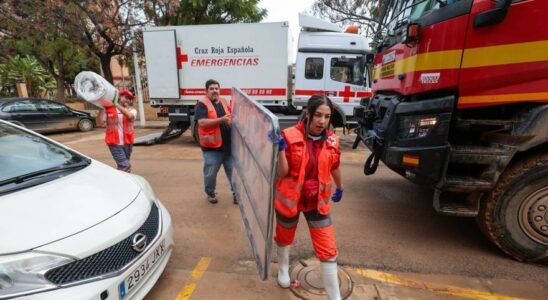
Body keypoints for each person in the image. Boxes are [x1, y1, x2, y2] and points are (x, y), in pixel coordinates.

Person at [273, 94, 344, 300]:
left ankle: (335, 298)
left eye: (327, 116)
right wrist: (280, 150)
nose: (322, 121)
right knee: (285, 238)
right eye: (318, 115)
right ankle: (283, 269)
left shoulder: (332, 140)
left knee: (328, 250)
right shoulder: (288, 136)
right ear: (308, 114)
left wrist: (340, 187)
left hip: (317, 202)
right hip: (290, 199)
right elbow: (282, 173)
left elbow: (335, 166)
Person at [195, 79, 235, 204]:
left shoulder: (224, 101)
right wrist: (221, 120)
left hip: (228, 147)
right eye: (211, 89)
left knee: (233, 174)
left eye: (216, 88)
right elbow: (202, 122)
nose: (215, 91)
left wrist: (231, 121)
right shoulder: (202, 104)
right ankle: (211, 193)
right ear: (206, 91)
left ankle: (236, 194)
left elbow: (230, 116)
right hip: (212, 149)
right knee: (210, 175)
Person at [100, 89, 137, 173]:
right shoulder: (109, 109)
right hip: (114, 143)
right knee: (125, 165)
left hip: (127, 143)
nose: (128, 100)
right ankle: (115, 180)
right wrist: (101, 109)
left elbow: (130, 116)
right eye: (126, 97)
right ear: (119, 97)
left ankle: (124, 182)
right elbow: (100, 123)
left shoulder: (132, 110)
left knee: (124, 166)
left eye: (130, 98)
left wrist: (116, 104)